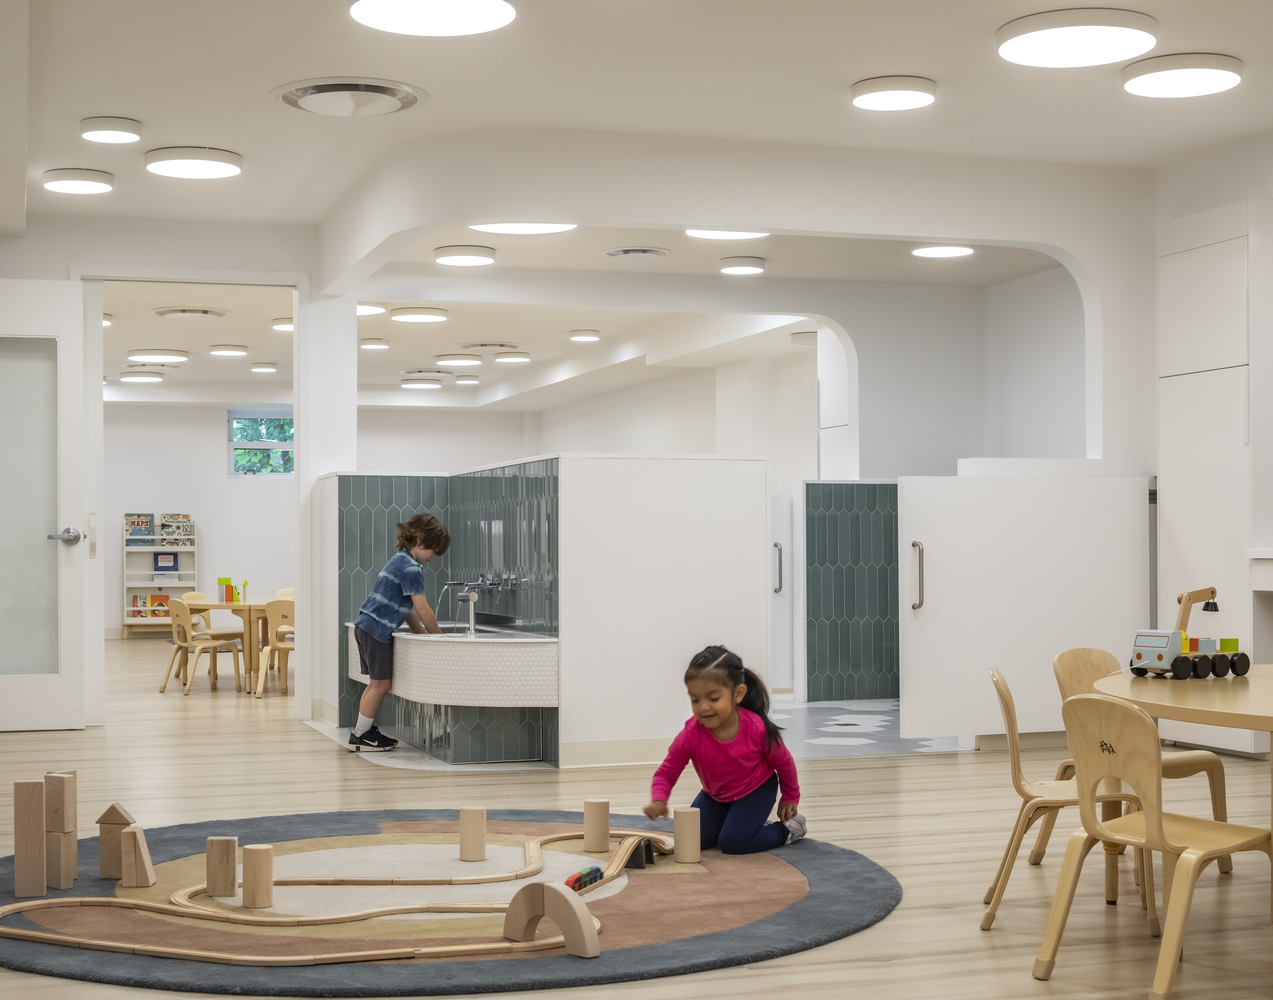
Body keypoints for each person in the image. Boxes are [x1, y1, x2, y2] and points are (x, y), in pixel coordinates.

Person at [644, 645, 806, 853]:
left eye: (713, 698)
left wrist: (790, 797)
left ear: (738, 694)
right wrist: (659, 800)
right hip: (716, 795)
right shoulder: (690, 734)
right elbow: (666, 773)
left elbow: (784, 762)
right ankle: (745, 822)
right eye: (695, 699)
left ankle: (788, 830)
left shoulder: (756, 728)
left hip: (756, 790)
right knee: (691, 839)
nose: (703, 707)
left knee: (733, 842)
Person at [348, 512, 449, 751]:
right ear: (420, 539)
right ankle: (361, 735)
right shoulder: (411, 567)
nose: (431, 557)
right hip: (377, 630)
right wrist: (439, 637)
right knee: (382, 685)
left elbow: (408, 611)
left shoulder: (398, 560)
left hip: (365, 626)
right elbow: (422, 608)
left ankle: (361, 731)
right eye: (432, 551)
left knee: (374, 684)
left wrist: (422, 634)